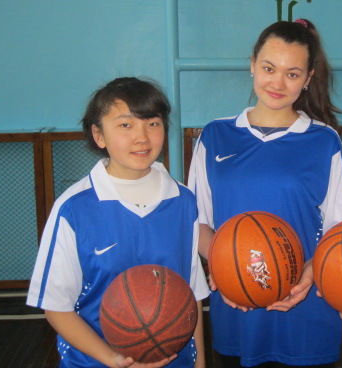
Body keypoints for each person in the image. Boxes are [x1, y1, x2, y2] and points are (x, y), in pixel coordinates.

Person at [188, 19, 342, 368]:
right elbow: (198, 221)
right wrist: (224, 265)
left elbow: (339, 229)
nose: (278, 83)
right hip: (236, 307)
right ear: (252, 64)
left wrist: (311, 271)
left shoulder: (324, 141)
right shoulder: (215, 136)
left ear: (308, 78)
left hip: (305, 309)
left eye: (292, 74)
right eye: (268, 68)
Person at [27, 77, 210, 368]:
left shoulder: (183, 201)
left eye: (152, 123)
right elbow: (56, 307)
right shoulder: (73, 208)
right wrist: (113, 358)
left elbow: (191, 296)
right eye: (125, 125)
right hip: (96, 362)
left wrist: (199, 363)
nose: (142, 137)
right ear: (99, 135)